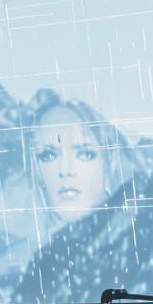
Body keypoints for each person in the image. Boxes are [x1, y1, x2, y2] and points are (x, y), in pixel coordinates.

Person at [25, 91, 131, 222]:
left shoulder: (138, 234)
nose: (64, 170)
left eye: (85, 154)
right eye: (49, 155)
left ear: (110, 158)